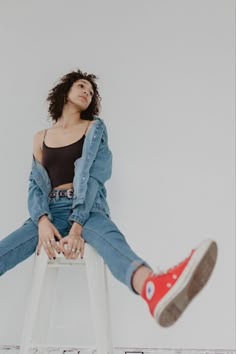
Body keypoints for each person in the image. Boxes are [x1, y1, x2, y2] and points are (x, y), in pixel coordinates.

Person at [0, 69, 217, 328]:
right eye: (82, 87)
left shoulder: (94, 129)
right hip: (50, 211)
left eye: (91, 92)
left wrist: (78, 224)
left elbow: (95, 177)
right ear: (65, 91)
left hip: (89, 209)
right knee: (6, 250)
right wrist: (42, 221)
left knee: (114, 242)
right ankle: (152, 286)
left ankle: (153, 287)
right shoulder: (41, 137)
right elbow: (35, 186)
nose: (87, 93)